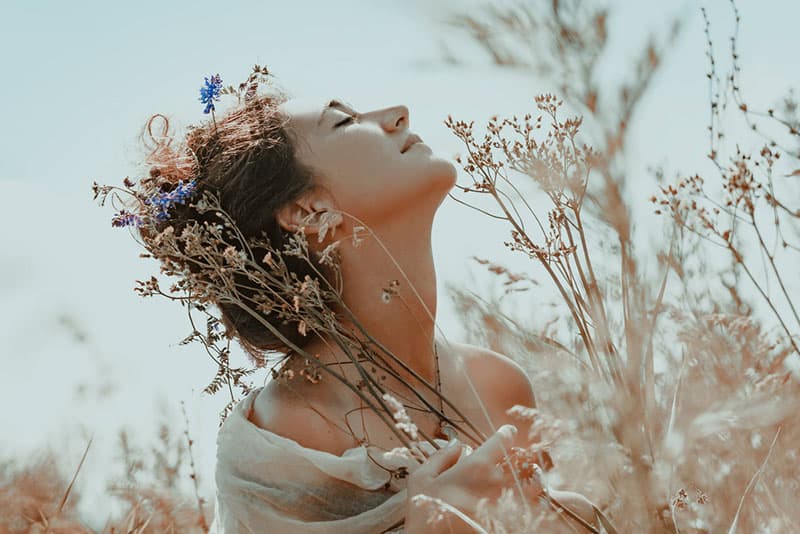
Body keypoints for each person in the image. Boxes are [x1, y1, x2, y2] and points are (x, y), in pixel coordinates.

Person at [140, 88, 599, 532]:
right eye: (344, 121)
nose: (398, 113)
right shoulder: (282, 443)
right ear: (307, 209)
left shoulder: (499, 385)